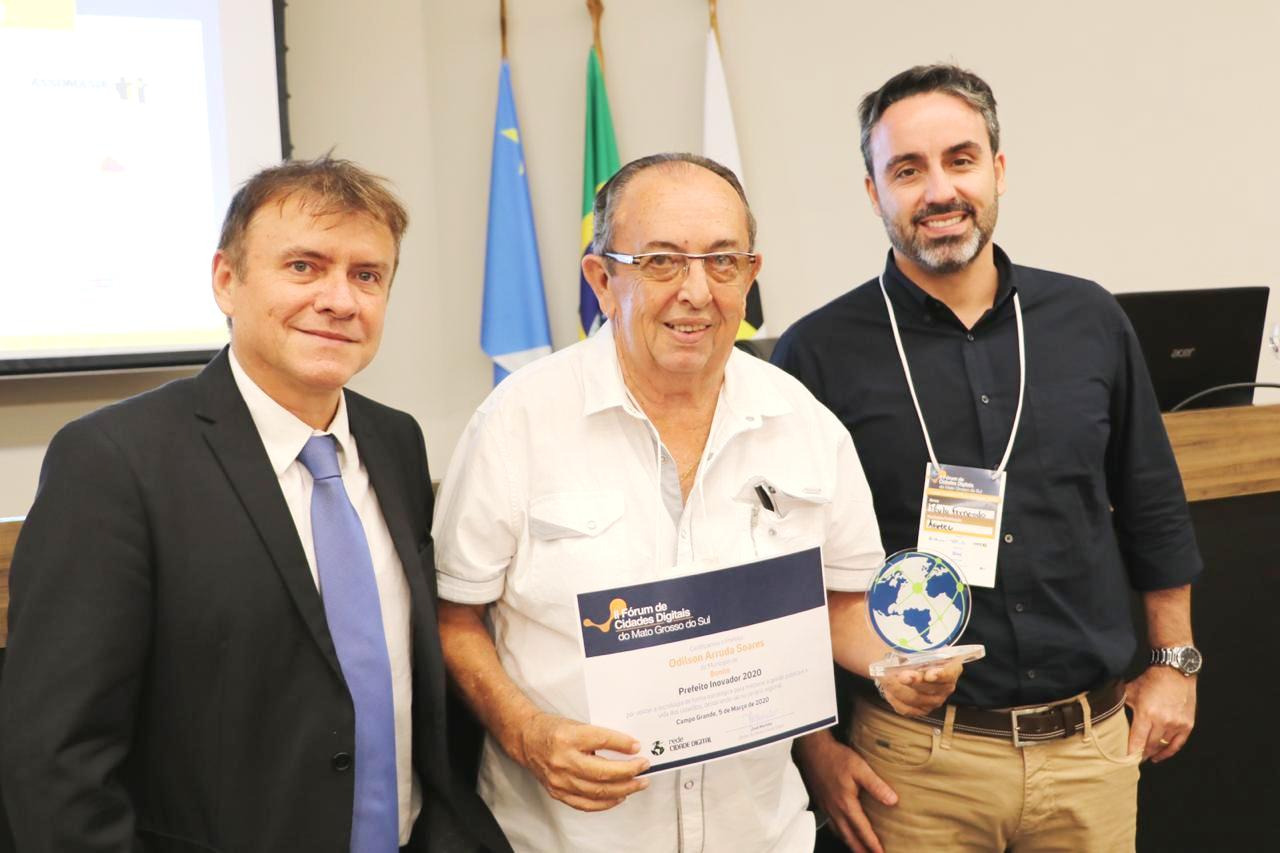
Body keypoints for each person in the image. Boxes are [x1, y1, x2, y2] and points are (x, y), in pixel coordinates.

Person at [432, 153, 961, 852]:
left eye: (722, 261)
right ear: (602, 277)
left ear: (750, 275)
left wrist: (896, 664)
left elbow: (841, 603)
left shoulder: (804, 424)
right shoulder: (517, 422)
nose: (696, 290)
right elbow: (453, 616)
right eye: (660, 262)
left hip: (761, 833)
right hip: (567, 838)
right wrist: (527, 735)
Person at [0, 157, 510, 853]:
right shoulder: (113, 462)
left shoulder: (396, 441)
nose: (339, 299)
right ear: (226, 281)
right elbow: (55, 758)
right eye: (304, 266)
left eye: (367, 275)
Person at [773, 65, 1203, 853]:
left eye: (960, 159)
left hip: (1091, 752)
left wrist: (1175, 662)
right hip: (912, 764)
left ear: (997, 171)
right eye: (908, 169)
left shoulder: (1088, 319)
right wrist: (814, 747)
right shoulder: (816, 353)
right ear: (873, 192)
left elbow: (1151, 502)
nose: (939, 189)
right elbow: (785, 569)